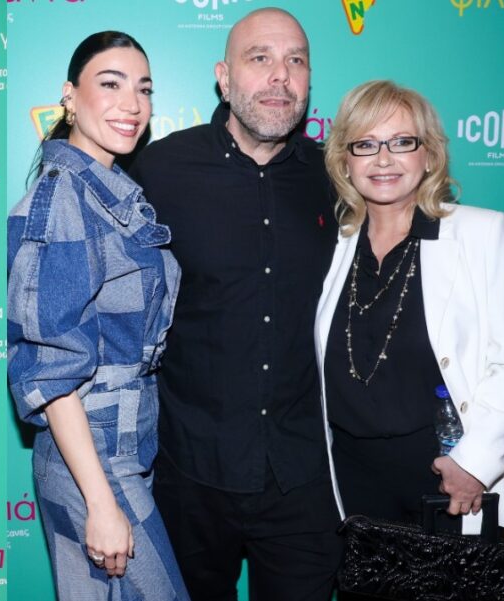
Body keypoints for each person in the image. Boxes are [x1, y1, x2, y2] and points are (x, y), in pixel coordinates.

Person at [130, 7, 343, 600]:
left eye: (295, 60)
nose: (280, 76)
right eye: (260, 58)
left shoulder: (338, 176)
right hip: (189, 473)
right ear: (223, 78)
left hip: (305, 478)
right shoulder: (159, 171)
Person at [316, 80, 504, 545]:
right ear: (344, 160)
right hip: (352, 482)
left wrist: (474, 464)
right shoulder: (332, 247)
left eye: (402, 142)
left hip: (449, 481)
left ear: (430, 155)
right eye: (366, 144)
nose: (383, 159)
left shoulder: (481, 234)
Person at [8, 31, 190, 600]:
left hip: (124, 446)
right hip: (92, 457)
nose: (132, 104)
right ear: (69, 95)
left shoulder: (109, 192)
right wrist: (100, 501)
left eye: (144, 89)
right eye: (110, 84)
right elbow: (50, 373)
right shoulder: (61, 200)